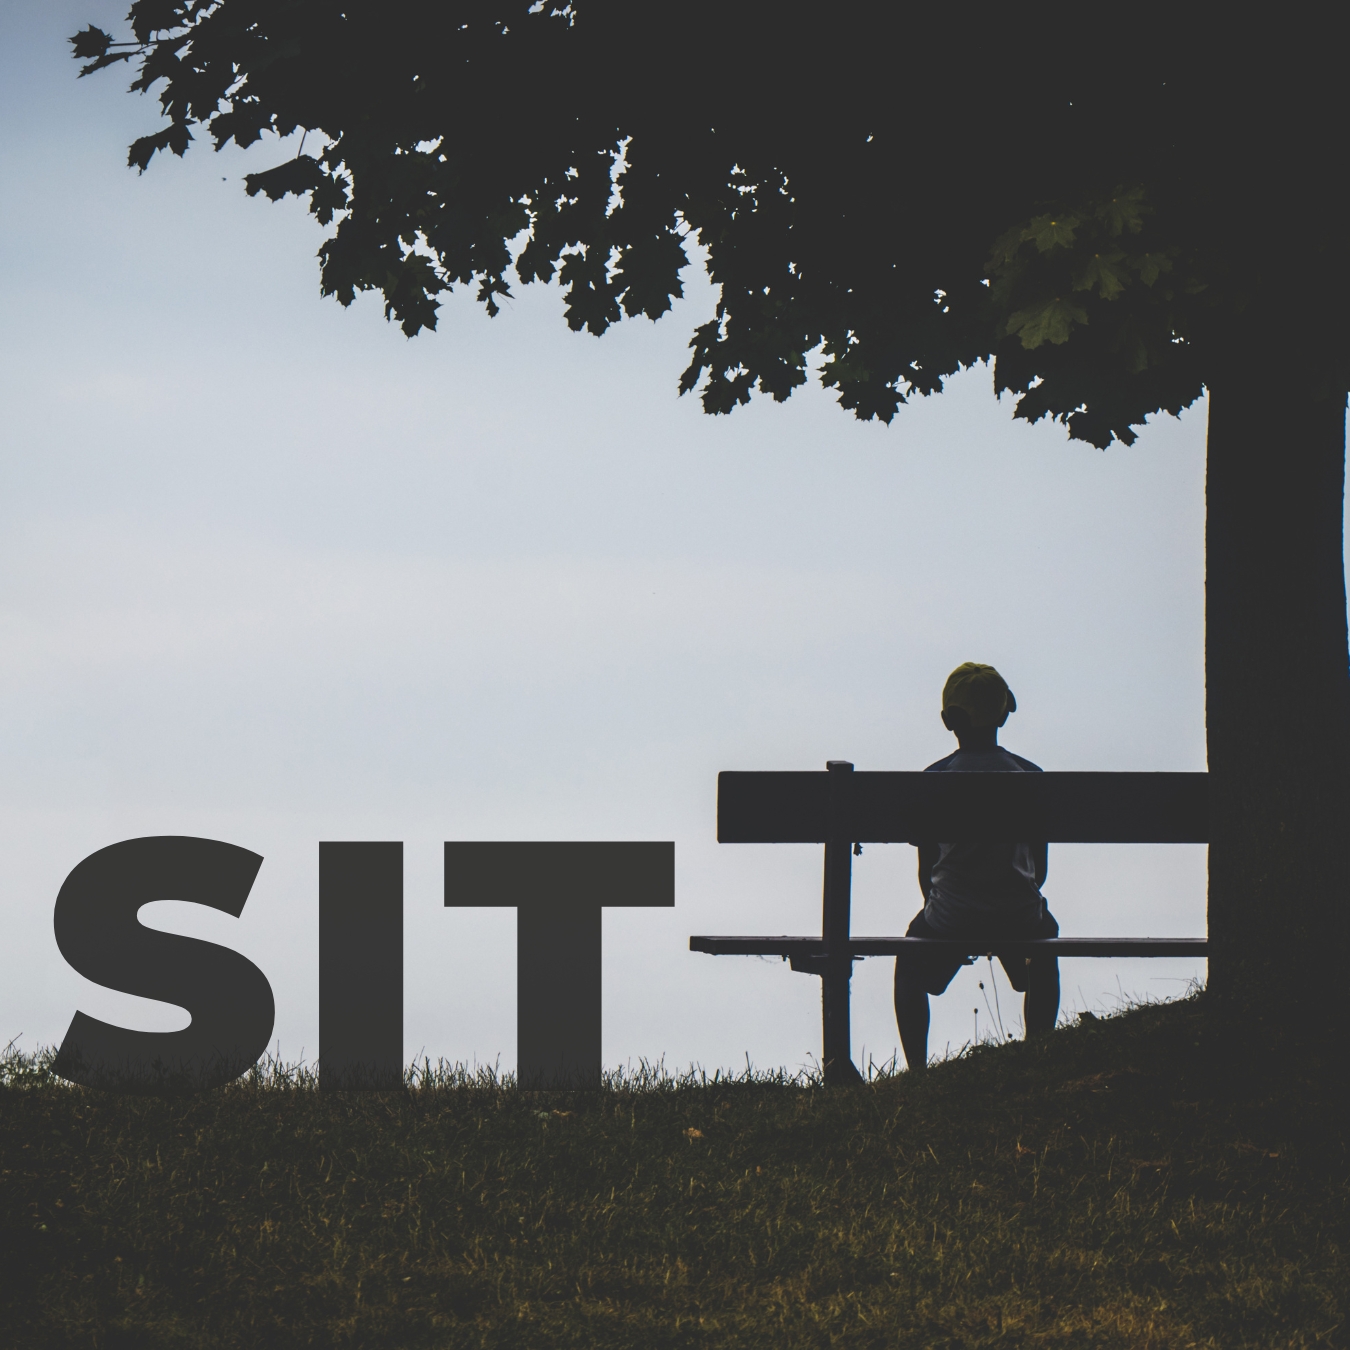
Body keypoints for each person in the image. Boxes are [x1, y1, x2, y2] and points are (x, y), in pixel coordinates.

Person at [894, 662, 1060, 1069]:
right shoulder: (1030, 777)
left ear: (949, 720)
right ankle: (1039, 1052)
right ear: (1004, 714)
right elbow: (1039, 870)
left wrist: (951, 913)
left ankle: (918, 1071)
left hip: (952, 915)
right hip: (1018, 915)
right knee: (1045, 938)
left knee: (909, 966)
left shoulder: (933, 781)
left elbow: (925, 871)